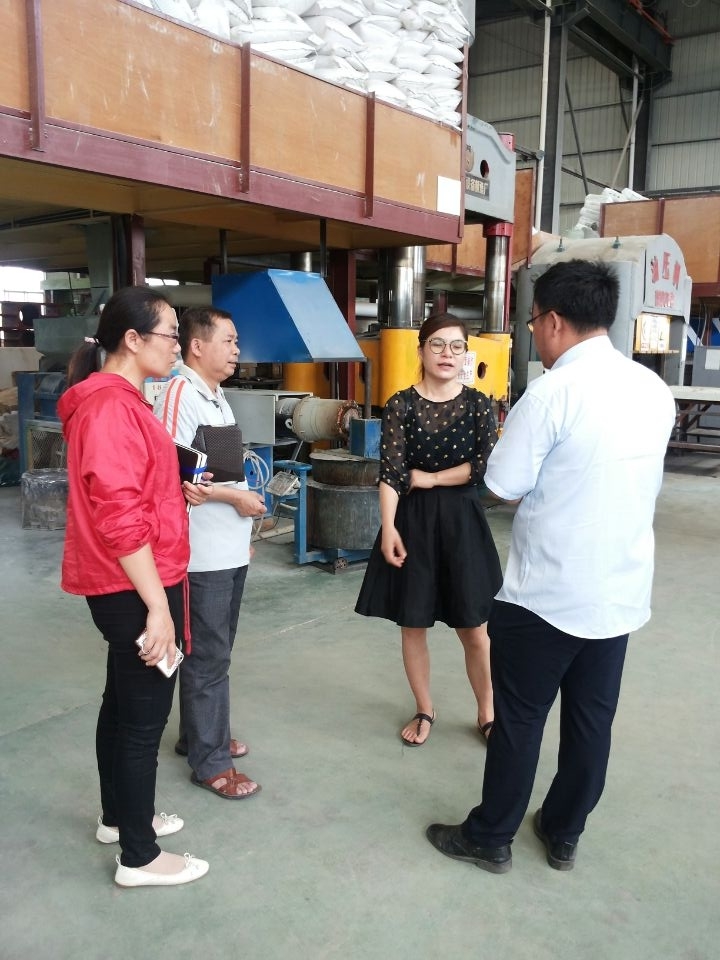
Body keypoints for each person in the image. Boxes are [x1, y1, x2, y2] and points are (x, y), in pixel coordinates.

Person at [426, 259, 676, 874]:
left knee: (520, 719)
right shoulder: (652, 389)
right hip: (618, 592)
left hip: (549, 595)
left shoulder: (552, 392)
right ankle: (564, 832)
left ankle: (490, 837)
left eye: (534, 321)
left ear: (556, 321)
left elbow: (504, 484)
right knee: (591, 722)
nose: (534, 332)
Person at [58, 285, 210, 887]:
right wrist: (157, 608)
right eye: (171, 334)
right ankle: (139, 857)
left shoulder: (122, 401)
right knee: (144, 722)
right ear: (132, 338)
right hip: (134, 584)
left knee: (120, 706)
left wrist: (177, 484)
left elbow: (137, 484)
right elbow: (119, 516)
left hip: (134, 577)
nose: (177, 345)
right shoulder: (109, 408)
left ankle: (119, 818)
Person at [355, 312, 503, 746]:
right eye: (437, 344)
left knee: (474, 627)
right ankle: (424, 708)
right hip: (413, 521)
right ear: (420, 351)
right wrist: (388, 528)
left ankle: (488, 712)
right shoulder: (401, 404)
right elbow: (391, 472)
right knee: (413, 622)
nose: (446, 354)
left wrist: (431, 478)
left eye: (456, 346)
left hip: (462, 522)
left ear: (465, 354)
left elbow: (484, 466)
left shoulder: (478, 405)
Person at [154, 306, 266, 799]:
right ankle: (211, 762)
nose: (237, 350)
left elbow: (214, 471)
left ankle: (199, 736)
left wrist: (242, 533)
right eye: (229, 340)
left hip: (227, 549)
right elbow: (174, 473)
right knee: (207, 656)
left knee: (216, 651)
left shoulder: (216, 396)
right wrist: (236, 500)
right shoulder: (181, 392)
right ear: (197, 346)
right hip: (199, 555)